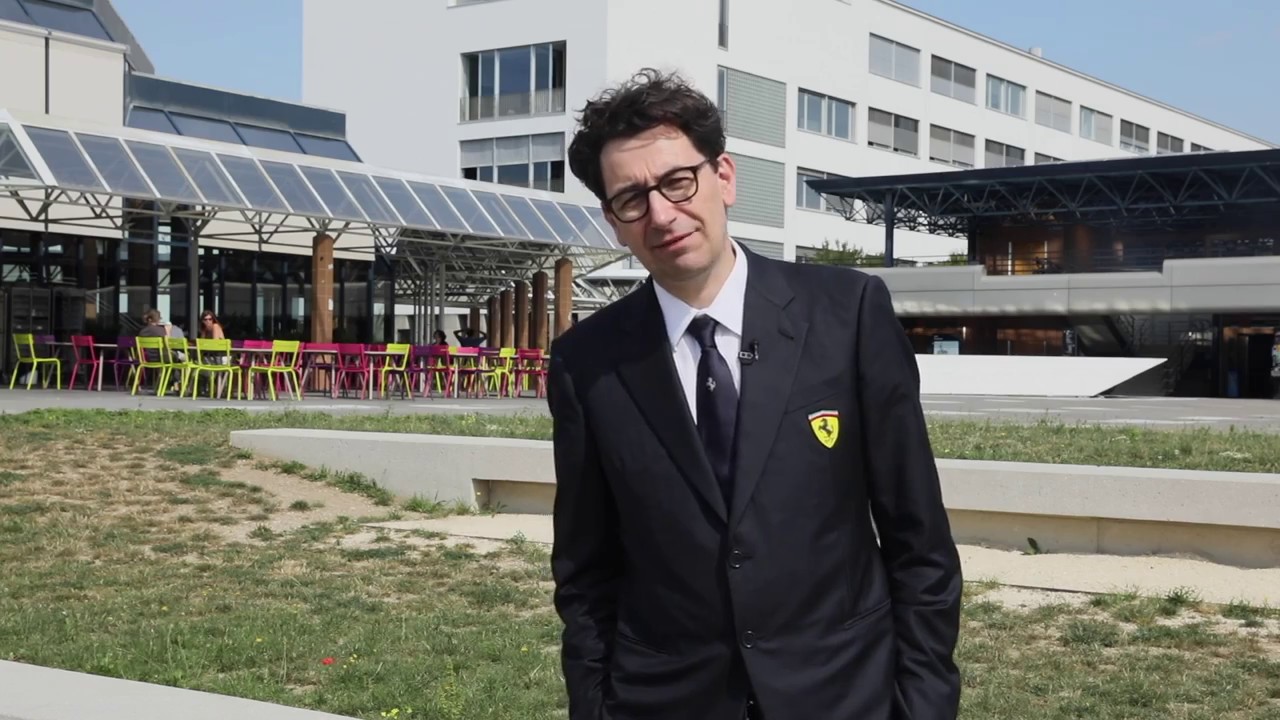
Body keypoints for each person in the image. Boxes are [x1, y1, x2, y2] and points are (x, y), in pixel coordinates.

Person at [546, 68, 962, 720]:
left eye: (677, 181)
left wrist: (923, 706)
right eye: (632, 199)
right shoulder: (586, 363)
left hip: (844, 696)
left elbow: (920, 543)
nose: (661, 213)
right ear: (614, 220)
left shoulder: (847, 315)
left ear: (725, 177)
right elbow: (587, 572)